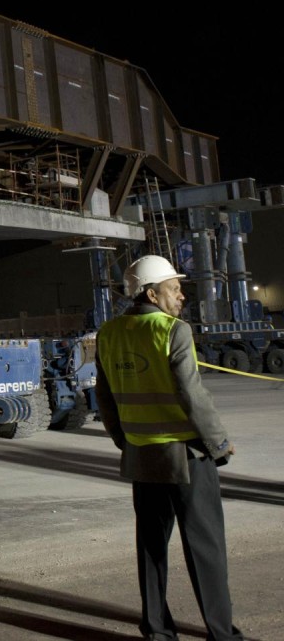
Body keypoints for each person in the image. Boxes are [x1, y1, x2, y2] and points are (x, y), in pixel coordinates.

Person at [95, 254, 243, 641]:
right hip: (186, 455)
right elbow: (192, 394)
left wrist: (124, 441)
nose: (180, 296)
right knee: (205, 548)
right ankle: (221, 633)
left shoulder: (109, 333)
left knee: (150, 546)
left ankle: (157, 630)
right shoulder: (174, 331)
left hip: (142, 455)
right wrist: (219, 444)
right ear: (151, 293)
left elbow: (105, 398)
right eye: (174, 288)